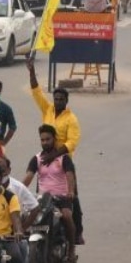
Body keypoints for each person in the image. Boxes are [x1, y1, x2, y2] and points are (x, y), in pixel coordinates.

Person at [26, 56, 83, 244]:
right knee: (41, 200)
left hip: (64, 162)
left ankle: (77, 234)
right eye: (56, 98)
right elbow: (36, 92)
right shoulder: (48, 110)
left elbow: (72, 143)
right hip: (46, 161)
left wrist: (54, 155)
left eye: (61, 99)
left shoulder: (71, 119)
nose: (57, 101)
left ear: (66, 100)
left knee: (72, 201)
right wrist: (32, 71)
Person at [22, 124, 77, 263]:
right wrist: (19, 192)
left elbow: (70, 175)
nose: (45, 142)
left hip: (61, 198)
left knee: (67, 216)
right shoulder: (36, 159)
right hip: (43, 199)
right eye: (42, 140)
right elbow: (28, 177)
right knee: (26, 218)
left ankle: (71, 249)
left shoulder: (64, 158)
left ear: (54, 139)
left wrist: (70, 192)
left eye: (48, 139)